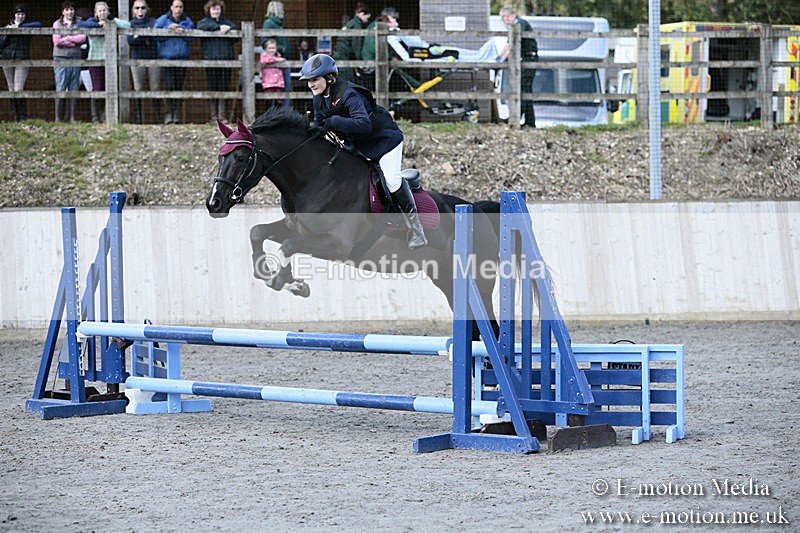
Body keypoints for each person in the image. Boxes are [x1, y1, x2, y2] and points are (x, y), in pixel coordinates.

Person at [300, 54, 426, 249]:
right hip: (359, 145)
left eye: (315, 79)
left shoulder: (350, 94)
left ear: (330, 78)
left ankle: (416, 229)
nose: (311, 84)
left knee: (391, 180)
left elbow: (364, 124)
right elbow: (318, 125)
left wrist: (334, 122)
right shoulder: (319, 99)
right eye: (309, 81)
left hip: (384, 141)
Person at [78, 2, 130, 123]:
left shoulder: (112, 21)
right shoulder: (91, 22)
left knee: (110, 88)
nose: (102, 13)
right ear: (96, 13)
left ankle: (106, 116)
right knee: (97, 88)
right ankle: (95, 117)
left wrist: (111, 23)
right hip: (95, 60)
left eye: (104, 10)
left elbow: (127, 24)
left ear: (108, 12)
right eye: (100, 11)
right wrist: (98, 24)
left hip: (110, 61)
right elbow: (81, 24)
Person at [154, 0, 194, 124]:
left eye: (181, 7)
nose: (178, 9)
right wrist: (168, 29)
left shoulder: (187, 21)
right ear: (171, 7)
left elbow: (192, 38)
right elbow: (155, 35)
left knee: (179, 87)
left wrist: (183, 31)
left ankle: (176, 115)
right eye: (176, 6)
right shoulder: (163, 20)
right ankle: (168, 115)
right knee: (169, 87)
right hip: (167, 60)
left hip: (182, 60)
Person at [0, 4, 41, 121]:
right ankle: (15, 116)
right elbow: (1, 44)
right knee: (11, 89)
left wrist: (20, 27)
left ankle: (23, 116)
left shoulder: (27, 27)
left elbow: (38, 24)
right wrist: (9, 31)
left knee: (19, 89)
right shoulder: (7, 27)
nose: (20, 16)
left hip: (22, 59)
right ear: (14, 15)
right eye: (18, 14)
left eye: (22, 14)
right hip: (7, 59)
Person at [197, 0, 236, 122]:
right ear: (209, 10)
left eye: (218, 9)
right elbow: (200, 26)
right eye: (213, 9)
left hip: (226, 60)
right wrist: (218, 27)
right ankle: (214, 116)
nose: (216, 11)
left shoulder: (226, 22)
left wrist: (228, 28)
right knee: (213, 87)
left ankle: (222, 116)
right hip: (211, 60)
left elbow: (235, 28)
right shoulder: (205, 22)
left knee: (224, 87)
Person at [499, 6, 537, 128]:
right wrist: (500, 58)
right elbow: (508, 44)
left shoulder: (519, 24)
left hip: (528, 58)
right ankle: (528, 121)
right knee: (525, 90)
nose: (504, 20)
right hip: (523, 59)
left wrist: (501, 59)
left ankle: (516, 118)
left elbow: (512, 44)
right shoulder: (513, 26)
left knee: (523, 89)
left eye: (505, 17)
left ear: (511, 15)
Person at [52, 1, 86, 122]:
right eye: (67, 10)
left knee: (73, 86)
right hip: (61, 58)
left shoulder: (80, 23)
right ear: (63, 12)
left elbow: (82, 38)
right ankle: (58, 118)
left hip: (75, 58)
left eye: (71, 9)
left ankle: (71, 117)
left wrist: (67, 39)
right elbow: (57, 42)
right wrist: (73, 42)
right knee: (61, 86)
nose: (69, 12)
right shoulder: (57, 24)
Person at [128, 0, 161, 123]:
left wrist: (139, 36)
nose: (140, 10)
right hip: (137, 59)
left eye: (142, 8)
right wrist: (145, 34)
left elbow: (156, 36)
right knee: (138, 88)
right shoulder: (131, 24)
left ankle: (158, 117)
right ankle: (138, 118)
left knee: (155, 88)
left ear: (147, 9)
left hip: (153, 58)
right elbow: (130, 41)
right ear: (133, 10)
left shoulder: (153, 22)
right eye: (137, 8)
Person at [260, 1, 291, 108]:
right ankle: (279, 116)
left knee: (283, 91)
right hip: (275, 62)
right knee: (278, 92)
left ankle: (283, 116)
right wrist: (279, 50)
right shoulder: (269, 23)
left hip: (282, 59)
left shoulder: (277, 24)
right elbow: (265, 41)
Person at [360, 7, 400, 90]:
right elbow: (374, 48)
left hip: (376, 64)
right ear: (387, 17)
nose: (396, 23)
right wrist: (390, 56)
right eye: (394, 19)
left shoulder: (376, 25)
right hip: (372, 66)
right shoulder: (375, 27)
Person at [332, 2, 371, 83]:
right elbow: (356, 46)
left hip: (339, 57)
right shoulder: (357, 25)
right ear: (362, 13)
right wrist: (360, 61)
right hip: (346, 59)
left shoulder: (350, 24)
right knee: (348, 84)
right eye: (367, 18)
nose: (367, 21)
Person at [260, 38, 285, 110]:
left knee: (279, 101)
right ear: (266, 48)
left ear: (276, 48)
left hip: (278, 82)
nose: (271, 50)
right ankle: (268, 117)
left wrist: (281, 61)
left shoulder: (279, 56)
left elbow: (284, 67)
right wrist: (276, 60)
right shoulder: (264, 56)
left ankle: (278, 117)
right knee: (269, 100)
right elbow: (265, 61)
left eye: (273, 48)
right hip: (268, 83)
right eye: (269, 48)